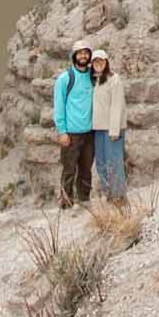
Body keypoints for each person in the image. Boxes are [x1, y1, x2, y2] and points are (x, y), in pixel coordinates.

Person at [52, 41, 97, 207]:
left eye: (86, 52)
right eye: (80, 53)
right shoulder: (65, 78)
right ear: (74, 56)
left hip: (90, 133)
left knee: (86, 170)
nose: (83, 56)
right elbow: (59, 106)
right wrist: (62, 131)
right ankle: (66, 204)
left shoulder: (93, 77)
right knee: (69, 170)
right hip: (71, 133)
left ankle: (84, 201)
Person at [89, 48, 127, 200]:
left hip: (112, 129)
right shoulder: (94, 80)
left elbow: (117, 105)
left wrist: (114, 130)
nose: (98, 64)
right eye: (95, 61)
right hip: (98, 129)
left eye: (101, 61)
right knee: (101, 163)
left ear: (106, 62)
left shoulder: (114, 79)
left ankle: (119, 196)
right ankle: (109, 193)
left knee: (114, 162)